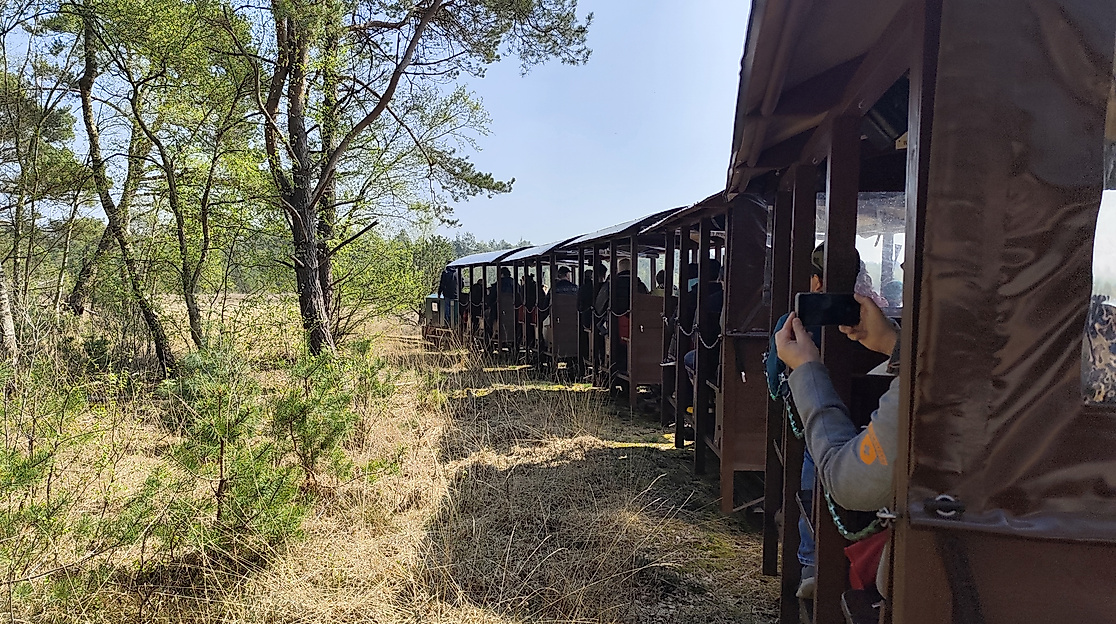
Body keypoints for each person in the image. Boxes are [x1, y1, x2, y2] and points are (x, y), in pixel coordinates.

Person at [774, 291, 900, 597]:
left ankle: (810, 560)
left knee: (814, 451)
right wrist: (894, 344)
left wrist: (806, 371)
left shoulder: (927, 383)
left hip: (937, 576)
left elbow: (848, 483)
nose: (904, 264)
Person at [764, 242, 860, 600]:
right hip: (872, 428)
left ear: (816, 282)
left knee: (813, 461)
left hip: (817, 426)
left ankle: (811, 564)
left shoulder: (793, 323)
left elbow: (774, 382)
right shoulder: (872, 315)